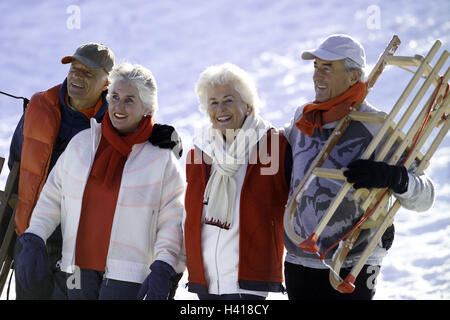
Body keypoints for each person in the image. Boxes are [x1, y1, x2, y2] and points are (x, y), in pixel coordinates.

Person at [7, 43, 181, 300]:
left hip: (90, 255)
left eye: (88, 72)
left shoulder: (111, 126)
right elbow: (19, 166)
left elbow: (169, 210)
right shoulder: (41, 107)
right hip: (38, 234)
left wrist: (166, 265)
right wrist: (30, 234)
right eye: (74, 68)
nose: (77, 75)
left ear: (105, 83)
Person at [282, 34, 435, 300]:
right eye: (316, 66)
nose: (317, 75)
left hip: (352, 266)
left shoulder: (377, 126)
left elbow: (426, 197)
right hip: (298, 261)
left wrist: (392, 177)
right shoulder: (304, 118)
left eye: (327, 68)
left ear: (353, 77)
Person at [183, 63, 292, 300]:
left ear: (248, 105)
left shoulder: (271, 146)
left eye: (228, 100)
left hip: (248, 281)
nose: (220, 108)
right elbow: (191, 215)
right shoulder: (200, 152)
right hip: (206, 280)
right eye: (213, 102)